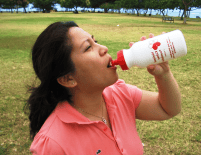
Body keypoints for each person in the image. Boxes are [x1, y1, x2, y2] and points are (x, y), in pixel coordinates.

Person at [28, 21, 181, 155]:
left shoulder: (120, 93)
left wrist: (164, 74)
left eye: (96, 41)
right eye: (88, 47)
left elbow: (167, 109)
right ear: (68, 79)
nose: (104, 48)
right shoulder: (52, 144)